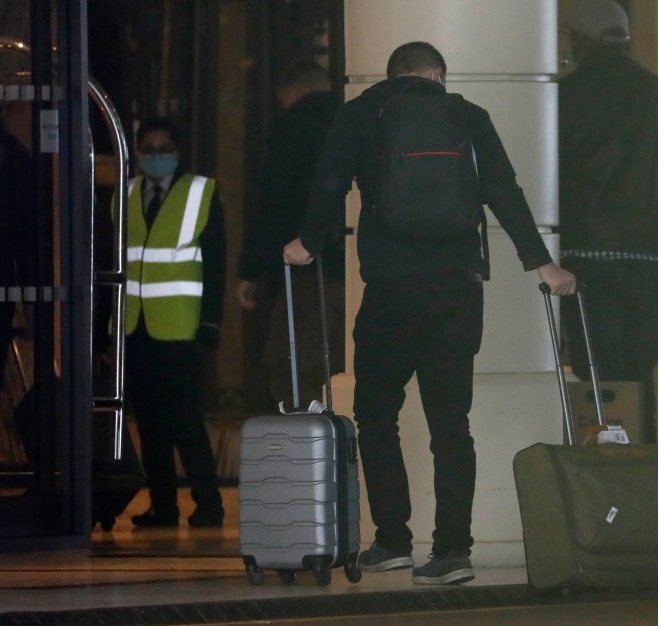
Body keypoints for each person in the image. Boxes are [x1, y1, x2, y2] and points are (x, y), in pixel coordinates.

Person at [283, 42, 576, 585]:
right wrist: (543, 266)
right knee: (450, 423)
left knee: (375, 412)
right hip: (457, 290)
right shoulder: (467, 115)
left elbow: (328, 184)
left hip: (391, 290)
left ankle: (392, 540)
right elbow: (504, 191)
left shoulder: (360, 113)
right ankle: (452, 552)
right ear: (437, 75)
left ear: (390, 75)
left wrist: (306, 242)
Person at [557, 0, 658, 442]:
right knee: (639, 378)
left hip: (587, 264)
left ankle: (604, 486)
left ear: (579, 42)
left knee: (598, 383)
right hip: (652, 266)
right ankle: (643, 478)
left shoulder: (566, 98)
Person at [125, 116, 226, 528]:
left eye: (164, 149)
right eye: (148, 150)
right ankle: (162, 505)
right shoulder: (128, 194)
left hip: (182, 329)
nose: (156, 157)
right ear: (138, 153)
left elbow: (215, 262)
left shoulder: (201, 192)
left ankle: (209, 504)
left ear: (179, 152)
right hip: (136, 326)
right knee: (148, 423)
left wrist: (211, 323)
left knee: (185, 420)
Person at [236, 61, 344, 410]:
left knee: (293, 361)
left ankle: (305, 446)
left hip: (306, 267)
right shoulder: (355, 122)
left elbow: (274, 201)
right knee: (339, 361)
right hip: (352, 267)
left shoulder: (295, 127)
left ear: (291, 94)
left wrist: (252, 268)